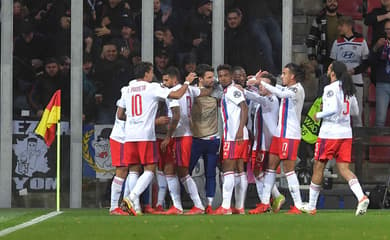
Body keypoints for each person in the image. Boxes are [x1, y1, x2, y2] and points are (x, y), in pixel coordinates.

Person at [118, 62, 196, 216]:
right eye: (151, 72)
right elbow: (177, 94)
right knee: (150, 169)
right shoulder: (151, 87)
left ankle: (136, 208)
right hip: (145, 135)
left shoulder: (127, 89)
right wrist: (187, 82)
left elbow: (120, 115)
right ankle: (131, 197)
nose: (152, 75)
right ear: (147, 73)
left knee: (133, 170)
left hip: (129, 135)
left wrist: (135, 118)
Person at [302, 61, 369, 216]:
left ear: (333, 73)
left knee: (318, 167)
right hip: (345, 133)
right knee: (344, 169)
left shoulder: (330, 88)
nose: (327, 68)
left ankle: (311, 206)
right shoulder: (349, 89)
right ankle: (361, 196)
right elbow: (355, 111)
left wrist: (319, 114)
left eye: (329, 67)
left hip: (329, 134)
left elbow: (332, 109)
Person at [249, 63, 305, 214]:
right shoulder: (287, 88)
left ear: (292, 76)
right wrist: (257, 82)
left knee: (289, 171)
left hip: (290, 135)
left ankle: (298, 205)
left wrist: (260, 82)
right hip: (279, 134)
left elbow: (280, 93)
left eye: (285, 73)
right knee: (270, 168)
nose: (282, 76)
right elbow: (279, 89)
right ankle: (265, 203)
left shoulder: (297, 89)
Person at [160, 67, 214, 215]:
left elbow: (176, 115)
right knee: (169, 170)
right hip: (184, 134)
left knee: (183, 172)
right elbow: (205, 92)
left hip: (179, 135)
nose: (164, 83)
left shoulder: (173, 94)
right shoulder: (189, 89)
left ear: (175, 80)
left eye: (166, 80)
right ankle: (177, 206)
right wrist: (211, 84)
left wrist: (168, 136)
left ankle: (198, 205)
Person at [243, 73, 286, 214]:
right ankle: (270, 199)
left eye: (264, 84)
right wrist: (252, 82)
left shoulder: (271, 99)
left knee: (261, 171)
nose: (261, 86)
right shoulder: (265, 98)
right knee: (259, 171)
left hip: (266, 143)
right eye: (261, 84)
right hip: (260, 140)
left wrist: (239, 89)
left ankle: (268, 200)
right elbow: (254, 92)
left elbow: (254, 96)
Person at [213, 64, 249, 215]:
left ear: (231, 76)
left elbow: (244, 108)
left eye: (225, 75)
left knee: (228, 169)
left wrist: (240, 129)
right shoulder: (227, 90)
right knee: (239, 170)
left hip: (234, 136)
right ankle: (239, 207)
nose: (222, 78)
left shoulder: (233, 90)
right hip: (238, 135)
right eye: (220, 76)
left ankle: (226, 206)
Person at [189, 64, 223, 214]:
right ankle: (194, 202)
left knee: (211, 173)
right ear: (200, 79)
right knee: (186, 172)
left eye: (212, 77)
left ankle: (208, 204)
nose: (212, 79)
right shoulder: (191, 91)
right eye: (208, 77)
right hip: (195, 139)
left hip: (212, 138)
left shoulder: (217, 90)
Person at [329, 16, 369, 127]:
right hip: (340, 82)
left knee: (357, 112)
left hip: (356, 81)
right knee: (340, 111)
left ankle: (359, 139)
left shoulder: (361, 41)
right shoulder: (337, 42)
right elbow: (333, 63)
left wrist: (354, 71)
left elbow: (366, 62)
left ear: (349, 26)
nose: (339, 28)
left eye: (341, 25)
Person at [306, 0, 342, 73]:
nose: (332, 3)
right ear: (325, 3)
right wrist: (312, 58)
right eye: (330, 1)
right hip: (324, 58)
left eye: (335, 1)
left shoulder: (341, 19)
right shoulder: (319, 19)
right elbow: (311, 39)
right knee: (324, 82)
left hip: (341, 58)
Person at [370, 19, 390, 127]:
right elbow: (371, 61)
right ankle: (377, 143)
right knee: (380, 120)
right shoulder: (380, 42)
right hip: (382, 83)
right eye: (387, 29)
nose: (389, 31)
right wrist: (376, 47)